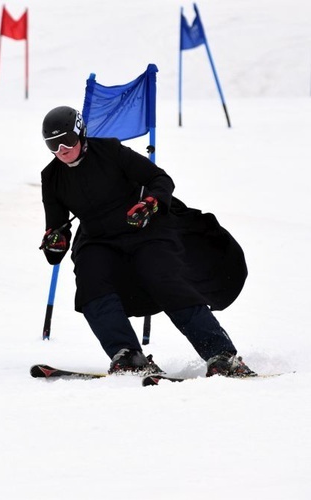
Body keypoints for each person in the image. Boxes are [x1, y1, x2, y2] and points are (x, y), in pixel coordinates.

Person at [38, 105, 256, 377]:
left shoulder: (110, 151)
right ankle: (128, 355)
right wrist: (55, 243)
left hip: (143, 227)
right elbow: (57, 230)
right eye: (53, 145)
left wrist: (150, 203)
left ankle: (222, 355)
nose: (61, 151)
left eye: (67, 141)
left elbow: (159, 179)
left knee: (163, 278)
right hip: (98, 238)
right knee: (90, 283)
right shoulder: (52, 177)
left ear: (80, 132)